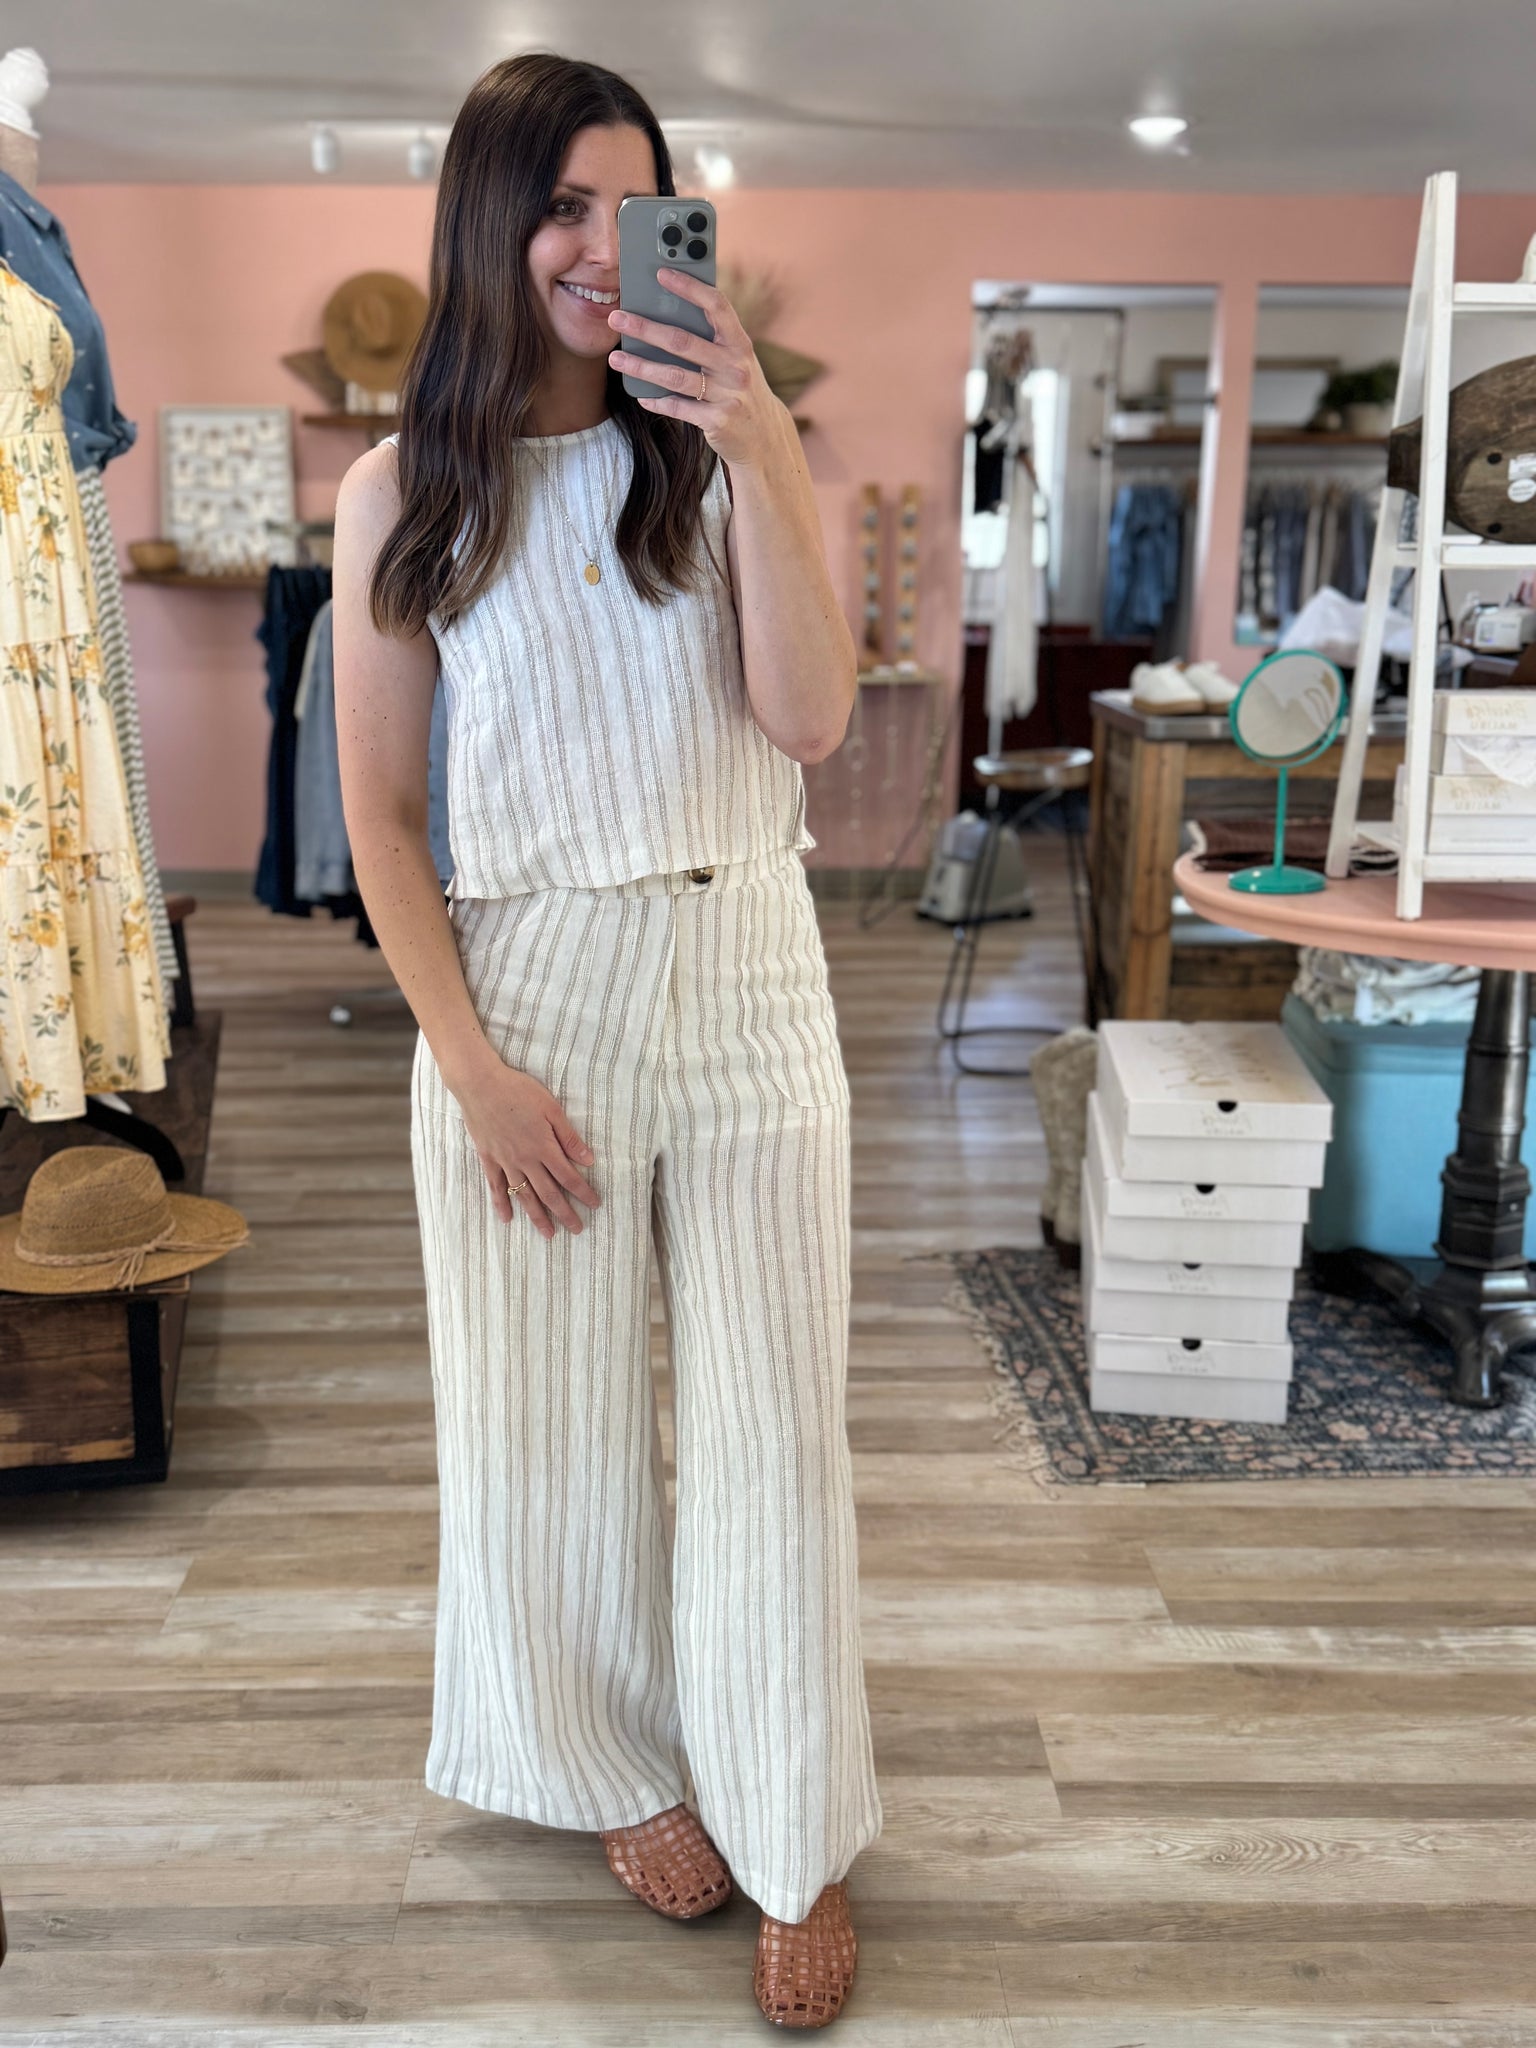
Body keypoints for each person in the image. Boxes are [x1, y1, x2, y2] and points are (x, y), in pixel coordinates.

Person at [332, 50, 882, 2032]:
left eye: (632, 208)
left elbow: (811, 725)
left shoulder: (723, 458)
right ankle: (613, 1763)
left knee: (771, 1426)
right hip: (528, 989)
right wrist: (472, 1068)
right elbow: (385, 819)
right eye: (559, 205)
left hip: (751, 969)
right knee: (542, 1426)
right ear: (492, 221)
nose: (593, 246)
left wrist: (762, 444)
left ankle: (794, 1823)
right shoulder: (402, 493)